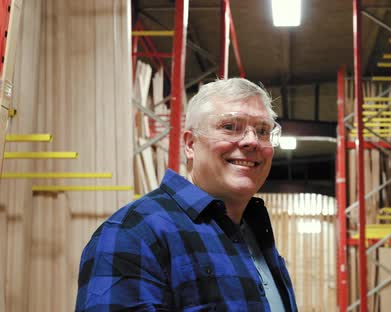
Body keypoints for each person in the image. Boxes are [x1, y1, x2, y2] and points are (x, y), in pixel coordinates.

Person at [75, 78, 298, 311]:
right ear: (190, 144)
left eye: (262, 131)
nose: (252, 141)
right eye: (230, 127)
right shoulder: (133, 233)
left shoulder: (254, 234)